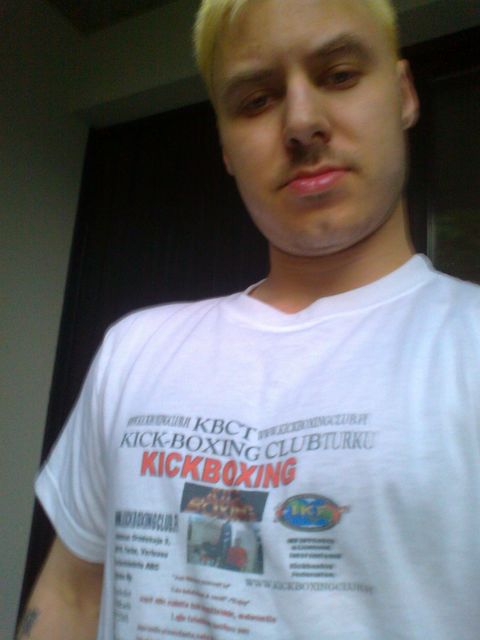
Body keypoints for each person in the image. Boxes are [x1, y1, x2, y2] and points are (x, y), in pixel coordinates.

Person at [18, 0, 480, 638]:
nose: (302, 123)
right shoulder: (134, 350)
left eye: (339, 75)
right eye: (256, 100)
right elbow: (71, 596)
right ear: (226, 148)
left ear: (402, 94)